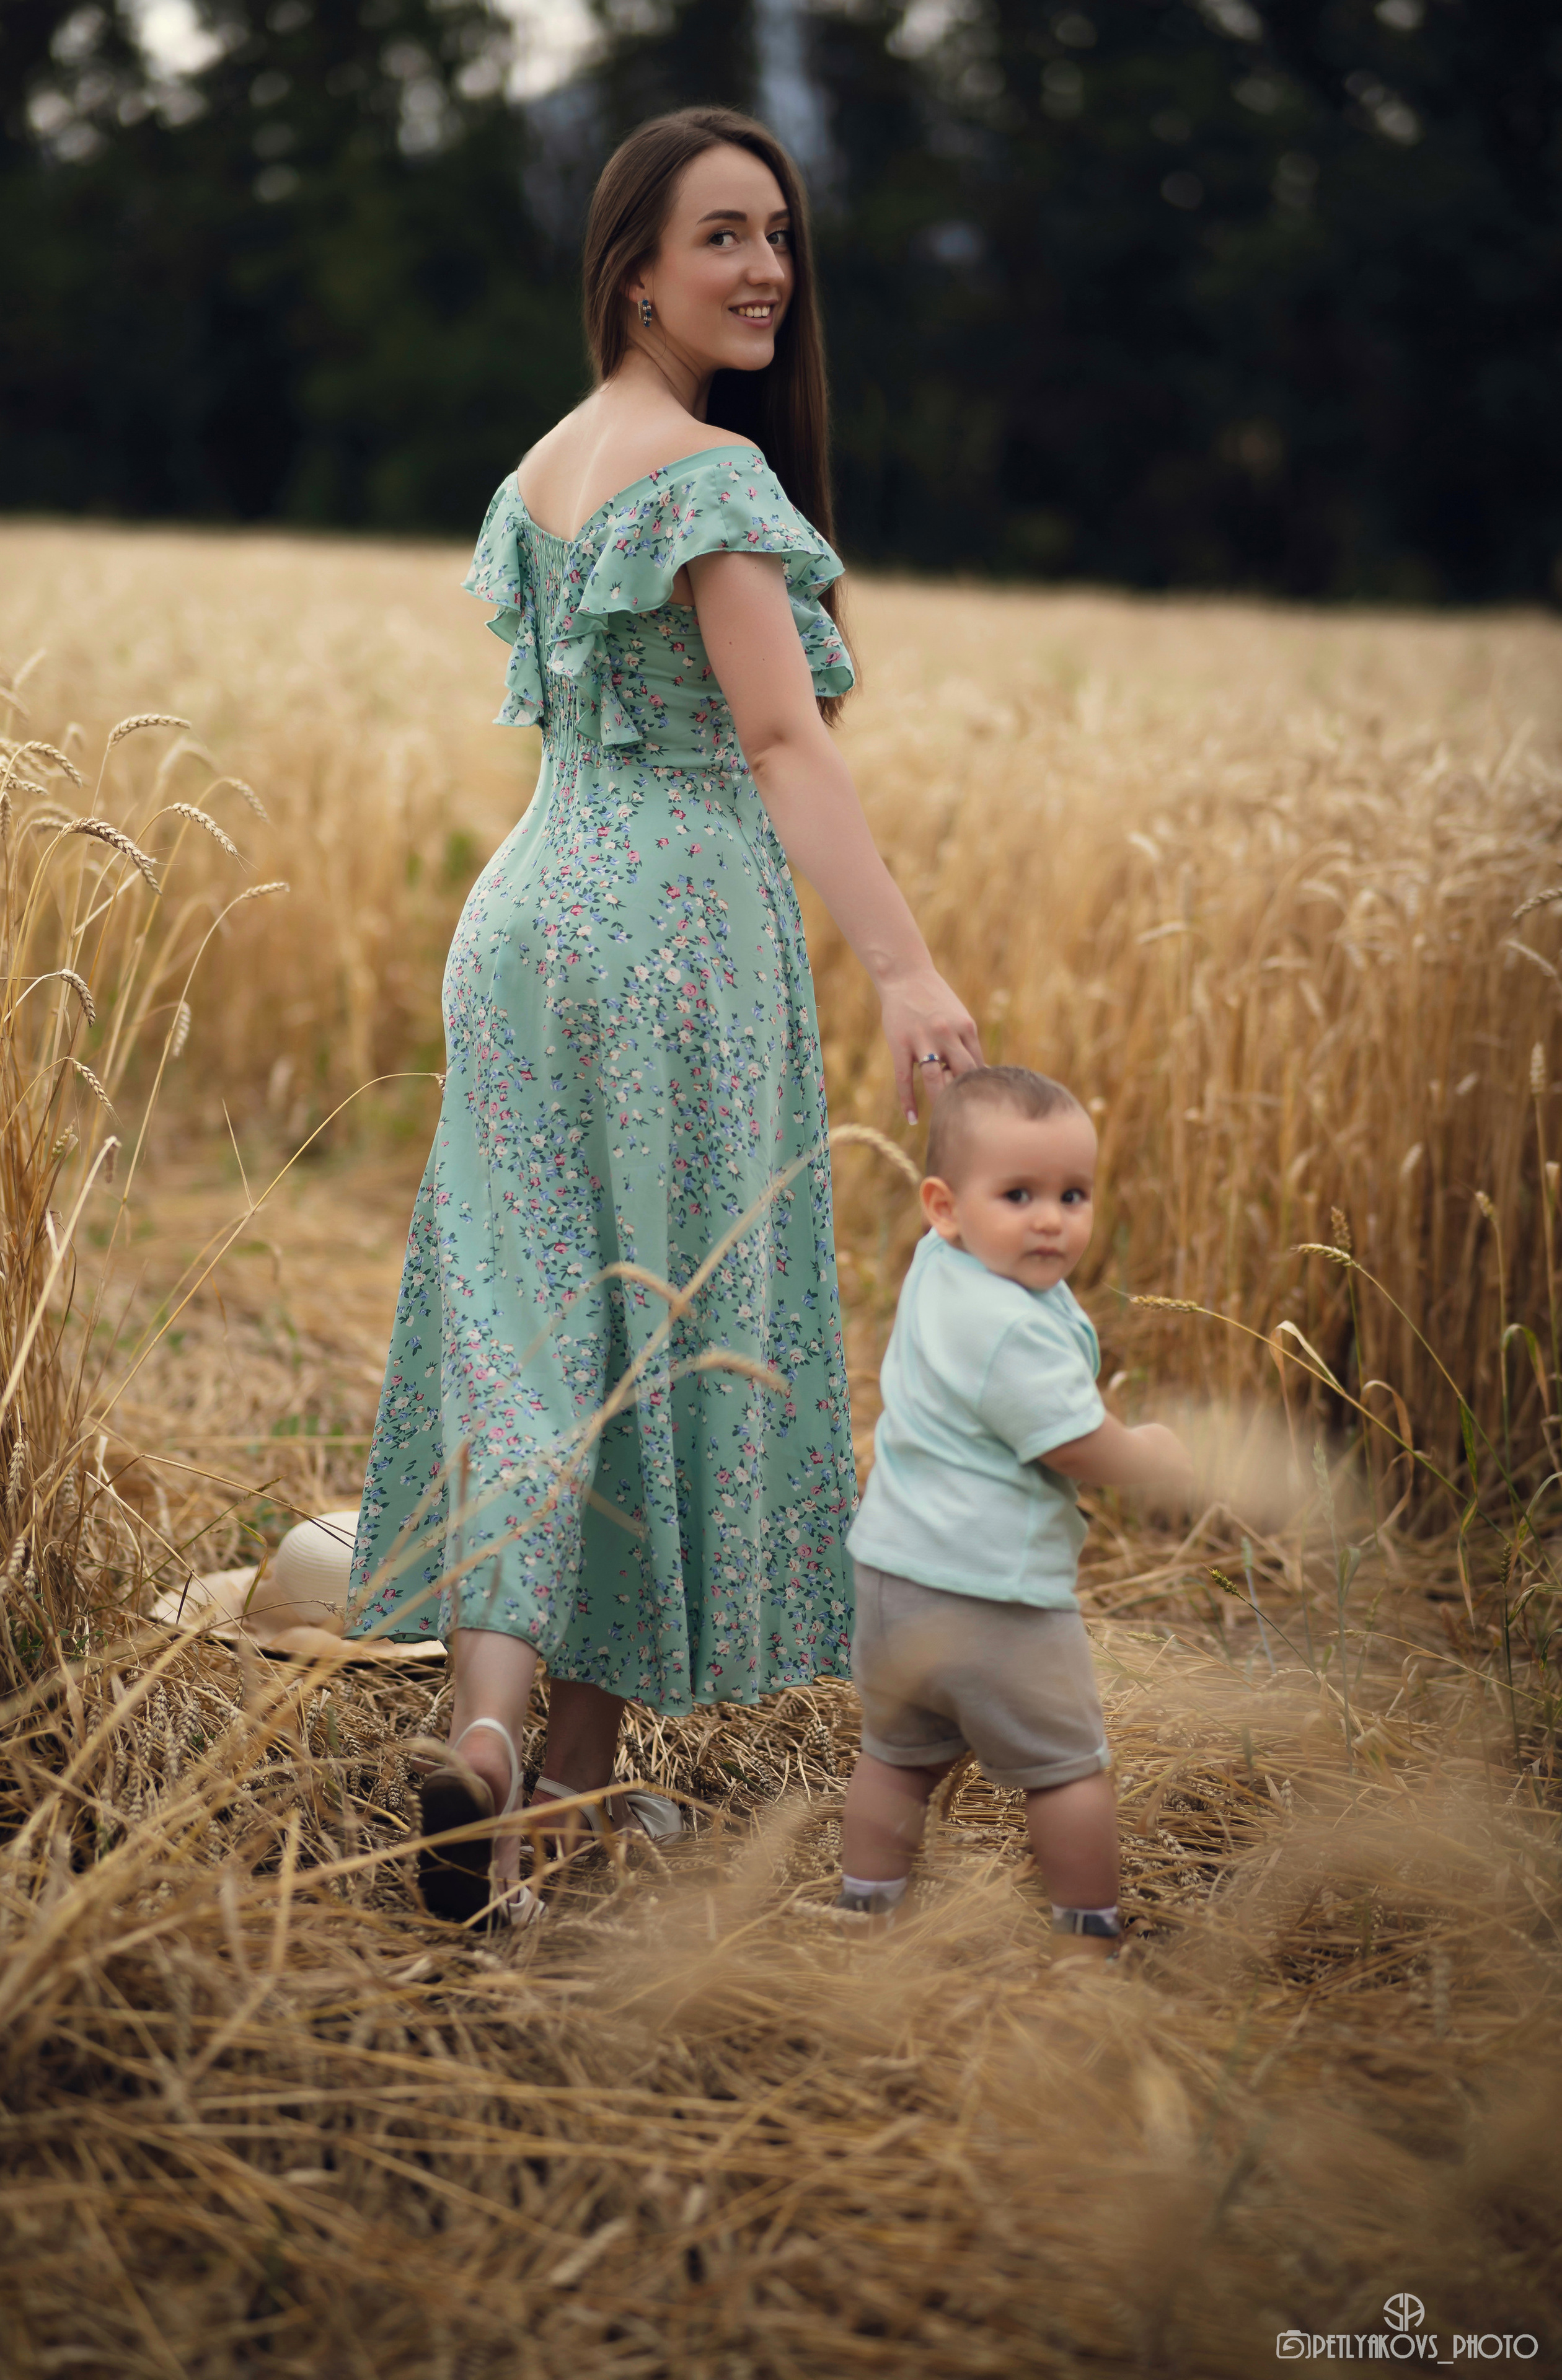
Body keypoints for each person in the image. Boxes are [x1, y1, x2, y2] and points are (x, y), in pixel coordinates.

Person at [343, 106, 982, 1922]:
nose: (766, 266)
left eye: (778, 232)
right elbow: (781, 741)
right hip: (677, 942)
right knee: (662, 1336)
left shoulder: (549, 462)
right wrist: (906, 970)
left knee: (529, 1329)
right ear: (634, 268)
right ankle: (561, 1802)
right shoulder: (708, 478)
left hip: (529, 919)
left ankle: (479, 1744)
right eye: (722, 236)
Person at [838, 1066, 1192, 1958]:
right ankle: (1087, 1938)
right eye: (1020, 1194)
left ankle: (867, 1908)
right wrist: (1149, 1455)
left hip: (890, 1579)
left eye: (1073, 1195)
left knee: (897, 1757)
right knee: (1068, 1771)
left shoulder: (938, 1265)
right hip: (993, 1595)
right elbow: (1072, 1444)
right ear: (946, 1206)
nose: (1050, 1219)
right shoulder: (1014, 1327)